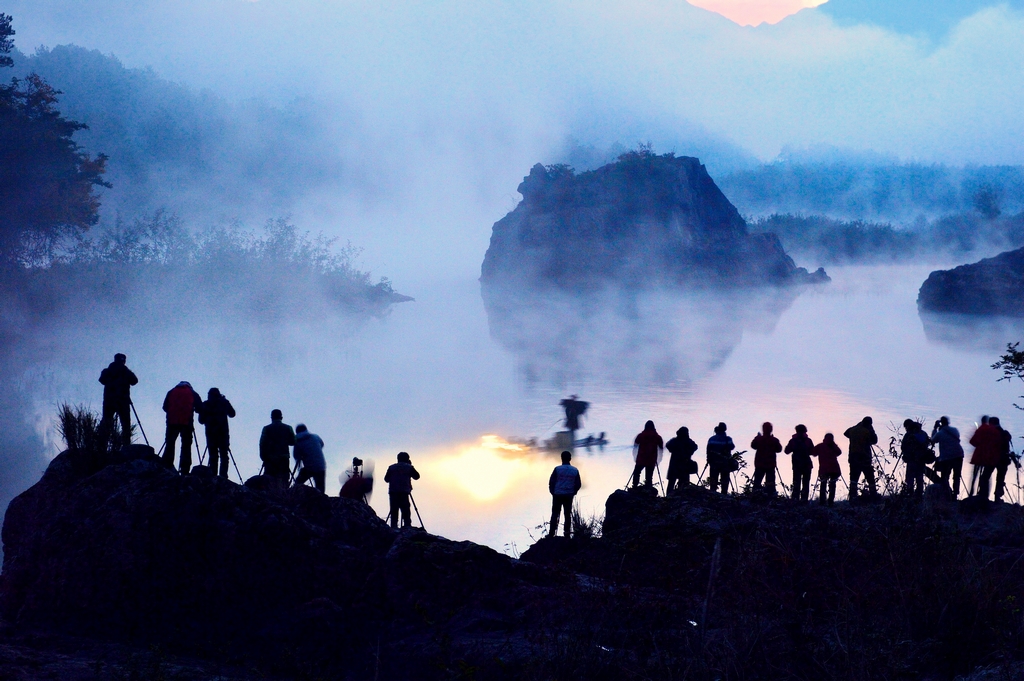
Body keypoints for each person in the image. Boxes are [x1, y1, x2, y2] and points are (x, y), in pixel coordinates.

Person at [98, 353, 138, 448]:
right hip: (123, 401)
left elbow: (102, 380)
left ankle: (102, 447)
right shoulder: (125, 371)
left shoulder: (107, 371)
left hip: (109, 401)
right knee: (125, 425)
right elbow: (135, 381)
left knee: (107, 423)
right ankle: (126, 447)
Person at [162, 381, 202, 474]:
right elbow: (200, 408)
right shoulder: (193, 393)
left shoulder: (171, 391)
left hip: (172, 422)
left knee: (170, 443)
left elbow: (165, 407)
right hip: (186, 422)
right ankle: (184, 469)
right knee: (186, 445)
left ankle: (167, 465)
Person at [198, 388, 235, 479]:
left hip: (210, 433)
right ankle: (223, 475)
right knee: (224, 454)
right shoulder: (224, 402)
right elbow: (232, 414)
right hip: (223, 433)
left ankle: (213, 475)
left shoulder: (205, 404)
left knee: (213, 454)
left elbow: (201, 420)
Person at [548, 450, 582, 538]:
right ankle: (567, 534)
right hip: (568, 495)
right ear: (570, 459)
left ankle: (552, 534)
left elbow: (551, 482)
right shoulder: (575, 470)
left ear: (561, 458)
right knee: (567, 515)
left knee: (555, 514)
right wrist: (574, 492)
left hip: (557, 494)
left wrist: (553, 492)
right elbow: (578, 484)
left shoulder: (557, 469)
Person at [844, 417, 878, 500]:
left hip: (853, 457)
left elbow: (846, 433)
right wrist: (871, 430)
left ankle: (853, 496)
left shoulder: (853, 430)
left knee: (854, 478)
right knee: (870, 477)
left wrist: (857, 427)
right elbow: (874, 440)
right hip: (864, 456)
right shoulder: (867, 431)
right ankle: (873, 495)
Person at [259, 409, 295, 487]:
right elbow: (293, 441)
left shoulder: (266, 428)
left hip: (270, 458)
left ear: (271, 418)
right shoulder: (288, 428)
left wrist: (263, 456)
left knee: (269, 479)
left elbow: (262, 443)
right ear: (281, 417)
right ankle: (283, 496)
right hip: (283, 458)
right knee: (284, 479)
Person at [384, 452, 420, 529]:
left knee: (394, 510)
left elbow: (386, 479)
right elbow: (417, 476)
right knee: (406, 510)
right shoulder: (409, 467)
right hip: (404, 492)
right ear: (407, 459)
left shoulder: (391, 467)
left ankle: (393, 528)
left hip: (393, 492)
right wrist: (410, 466)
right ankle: (407, 527)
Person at [970, 416, 1003, 500]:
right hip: (992, 457)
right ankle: (987, 495)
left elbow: (972, 441)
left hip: (980, 455)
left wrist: (979, 445)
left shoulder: (982, 429)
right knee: (990, 477)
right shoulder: (996, 431)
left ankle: (974, 493)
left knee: (978, 475)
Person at [931, 416, 964, 498]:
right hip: (959, 455)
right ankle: (955, 494)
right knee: (957, 475)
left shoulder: (940, 433)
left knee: (945, 476)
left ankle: (946, 493)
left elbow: (933, 440)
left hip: (947, 457)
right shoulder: (955, 430)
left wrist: (935, 428)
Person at [901, 419, 931, 499]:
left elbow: (903, 446)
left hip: (912, 459)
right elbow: (927, 444)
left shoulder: (909, 434)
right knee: (919, 477)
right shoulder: (923, 433)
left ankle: (910, 494)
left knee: (910, 477)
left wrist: (906, 454)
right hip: (921, 459)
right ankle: (919, 495)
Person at [751, 422, 783, 496]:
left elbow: (753, 446)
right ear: (771, 429)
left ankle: (755, 496)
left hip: (759, 464)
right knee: (770, 483)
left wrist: (756, 438)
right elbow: (779, 449)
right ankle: (770, 497)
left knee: (757, 482)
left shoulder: (759, 439)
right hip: (770, 464)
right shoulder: (774, 440)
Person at [293, 423, 326, 493]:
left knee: (298, 482)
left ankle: (293, 494)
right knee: (320, 488)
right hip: (321, 465)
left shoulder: (297, 441)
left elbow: (296, 456)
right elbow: (322, 444)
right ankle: (321, 501)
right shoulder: (315, 436)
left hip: (309, 466)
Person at [784, 424, 814, 502]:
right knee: (805, 484)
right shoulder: (808, 440)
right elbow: (813, 452)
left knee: (796, 483)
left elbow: (786, 451)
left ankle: (795, 500)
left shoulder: (793, 441)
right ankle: (804, 501)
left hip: (797, 465)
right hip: (807, 465)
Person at [665, 427, 698, 494]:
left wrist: (673, 451)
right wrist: (689, 453)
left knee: (671, 482)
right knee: (684, 482)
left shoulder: (675, 440)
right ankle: (682, 496)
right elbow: (695, 447)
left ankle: (668, 496)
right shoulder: (689, 441)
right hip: (685, 463)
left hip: (674, 463)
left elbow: (668, 445)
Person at [632, 421, 664, 489]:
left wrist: (635, 457)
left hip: (641, 458)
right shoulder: (657, 437)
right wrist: (659, 459)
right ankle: (648, 489)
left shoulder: (641, 435)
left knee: (637, 473)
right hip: (651, 459)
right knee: (649, 476)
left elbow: (635, 444)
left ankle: (634, 486)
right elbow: (661, 447)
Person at [813, 433, 842, 506]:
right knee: (832, 485)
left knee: (823, 484)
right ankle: (830, 502)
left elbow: (813, 453)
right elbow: (839, 453)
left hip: (824, 469)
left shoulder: (820, 446)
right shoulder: (833, 446)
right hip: (834, 469)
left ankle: (822, 501)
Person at [707, 422, 736, 494]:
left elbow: (708, 451)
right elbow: (732, 447)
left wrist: (708, 460)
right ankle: (724, 494)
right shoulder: (728, 439)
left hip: (714, 463)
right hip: (725, 463)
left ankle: (712, 493)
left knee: (713, 479)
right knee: (725, 479)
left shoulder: (711, 439)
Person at [993, 417, 1014, 502]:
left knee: (986, 476)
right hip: (1004, 459)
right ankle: (997, 496)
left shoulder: (992, 433)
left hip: (993, 458)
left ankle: (983, 494)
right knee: (1000, 478)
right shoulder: (1005, 433)